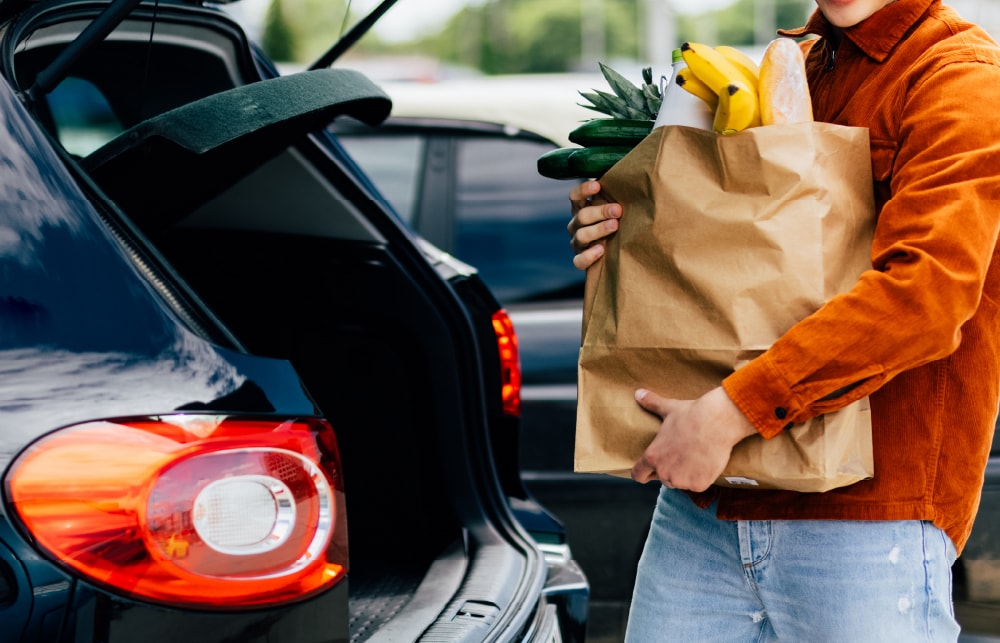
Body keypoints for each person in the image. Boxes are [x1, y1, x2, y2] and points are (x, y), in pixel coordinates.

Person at [567, 0, 1000, 639]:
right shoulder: (788, 63)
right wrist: (621, 227)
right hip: (707, 509)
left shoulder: (958, 75)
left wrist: (728, 413)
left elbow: (924, 297)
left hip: (867, 519)